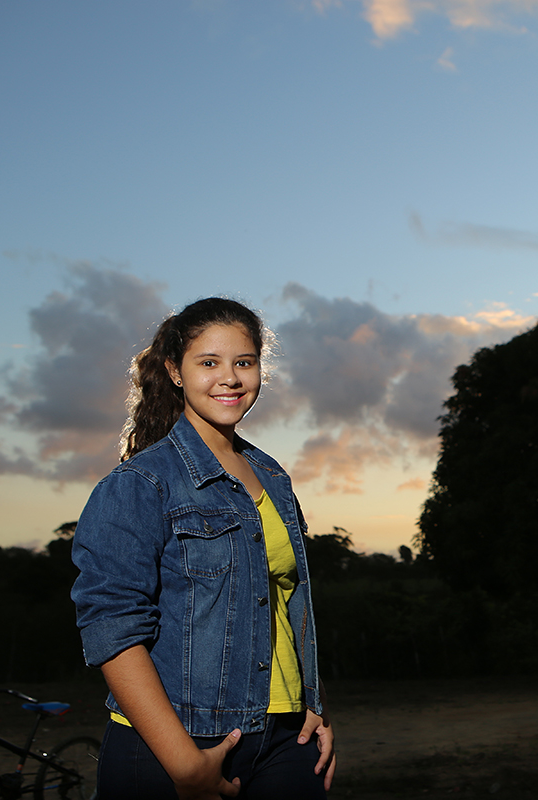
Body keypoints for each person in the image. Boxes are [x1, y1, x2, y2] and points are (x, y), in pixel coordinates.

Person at [72, 297, 334, 799]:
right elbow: (111, 626)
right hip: (176, 744)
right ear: (174, 370)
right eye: (209, 363)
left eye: (244, 362)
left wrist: (315, 705)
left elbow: (287, 603)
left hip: (284, 738)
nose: (230, 378)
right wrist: (184, 765)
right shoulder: (140, 483)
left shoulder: (273, 477)